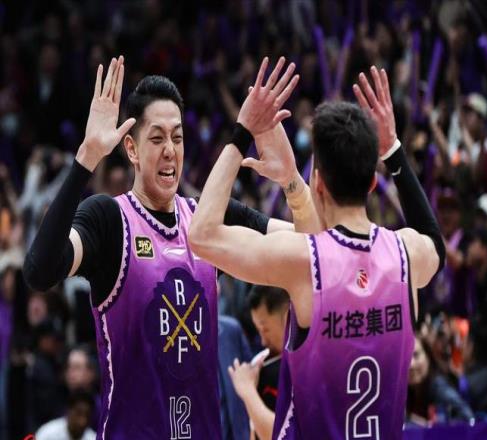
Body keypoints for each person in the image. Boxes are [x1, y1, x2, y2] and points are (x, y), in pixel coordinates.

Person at [23, 56, 293, 439]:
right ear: (131, 150)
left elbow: (310, 245)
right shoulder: (108, 219)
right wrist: (87, 158)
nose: (170, 150)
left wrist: (293, 183)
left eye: (177, 138)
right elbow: (39, 271)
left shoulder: (207, 221)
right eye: (157, 138)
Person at [189, 61, 446, 438]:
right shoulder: (408, 254)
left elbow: (202, 234)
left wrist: (242, 131)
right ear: (372, 183)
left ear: (319, 182)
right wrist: (392, 148)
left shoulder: (302, 260)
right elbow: (434, 240)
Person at [228, 286, 289, 440]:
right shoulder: (261, 362)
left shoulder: (314, 364)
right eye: (258, 331)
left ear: (288, 318)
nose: (263, 341)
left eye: (265, 329)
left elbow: (281, 435)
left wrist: (248, 391)